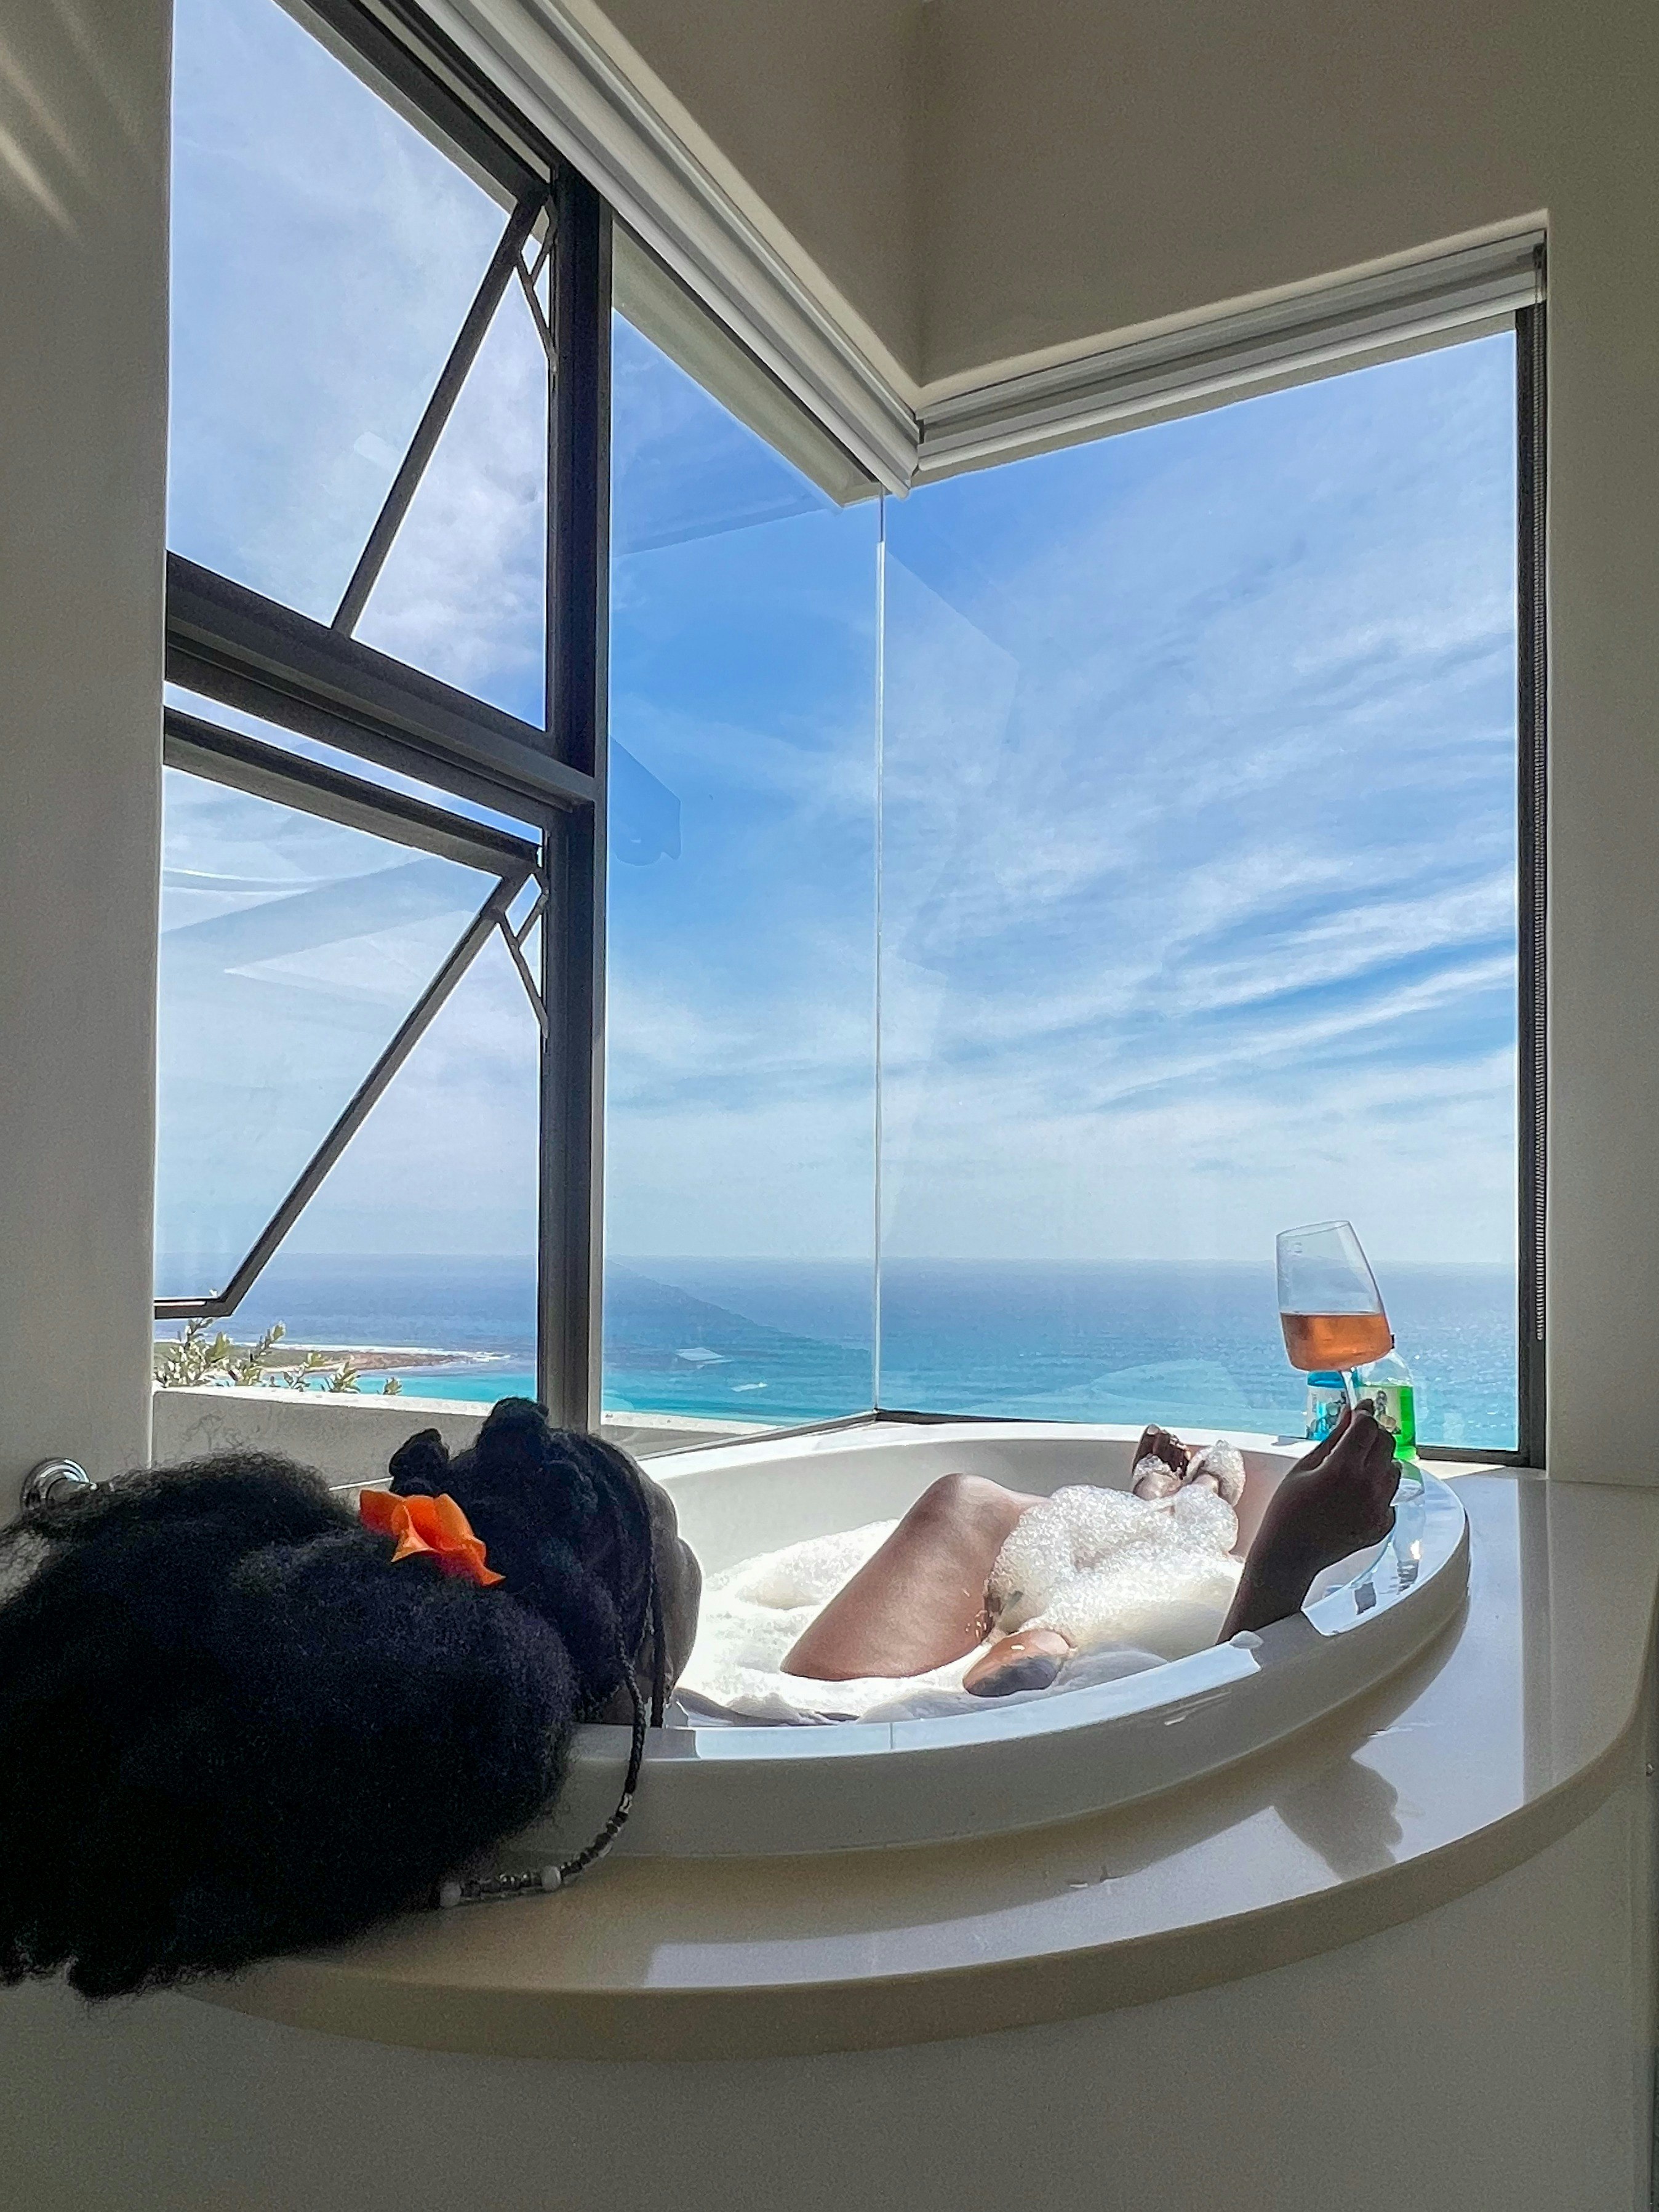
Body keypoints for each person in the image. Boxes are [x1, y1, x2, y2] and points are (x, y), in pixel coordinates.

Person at [0, 1399, 1394, 1999]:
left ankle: (1142, 1505)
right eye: (660, 1542)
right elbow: (1065, 1713)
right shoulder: (754, 1758)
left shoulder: (401, 1767)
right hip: (830, 1700)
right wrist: (1282, 1561)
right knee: (987, 1539)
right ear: (630, 1663)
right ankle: (1172, 1508)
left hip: (781, 1681)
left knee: (966, 1501)